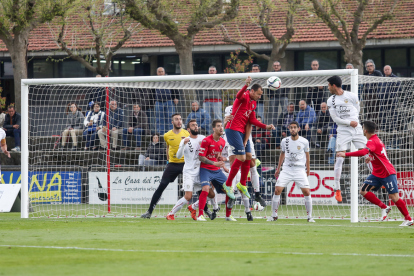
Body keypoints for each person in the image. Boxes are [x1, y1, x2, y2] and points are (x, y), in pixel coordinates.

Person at [337, 121, 413, 226]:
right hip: (377, 173)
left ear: (365, 130)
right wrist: (371, 157)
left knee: (394, 197)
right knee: (363, 190)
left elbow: (363, 152)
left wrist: (345, 154)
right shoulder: (376, 140)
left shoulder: (372, 141)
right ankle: (384, 207)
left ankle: (408, 219)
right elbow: (379, 153)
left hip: (387, 172)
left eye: (362, 128)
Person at [223, 77, 275, 202]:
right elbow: (238, 95)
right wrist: (246, 85)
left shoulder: (253, 103)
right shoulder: (245, 96)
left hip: (242, 132)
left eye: (261, 95)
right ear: (252, 91)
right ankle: (228, 184)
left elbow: (252, 120)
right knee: (240, 158)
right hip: (232, 129)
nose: (260, 97)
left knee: (248, 156)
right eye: (258, 94)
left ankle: (242, 184)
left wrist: (266, 126)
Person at [327, 75, 368, 202]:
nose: (328, 88)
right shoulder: (331, 100)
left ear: (334, 86)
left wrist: (353, 122)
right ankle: (337, 189)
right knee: (339, 156)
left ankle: (380, 178)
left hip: (357, 129)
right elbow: (335, 119)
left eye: (329, 85)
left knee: (368, 152)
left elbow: (357, 109)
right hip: (343, 130)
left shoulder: (352, 96)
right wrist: (348, 122)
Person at [141, 113, 190, 219]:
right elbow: (168, 148)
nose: (179, 121)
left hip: (185, 164)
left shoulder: (186, 133)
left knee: (197, 186)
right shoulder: (167, 135)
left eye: (180, 119)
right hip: (172, 164)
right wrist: (168, 160)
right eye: (176, 119)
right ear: (172, 122)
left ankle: (205, 210)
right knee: (162, 185)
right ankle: (149, 212)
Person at [167, 120, 217, 221]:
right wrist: (183, 145)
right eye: (193, 125)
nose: (196, 127)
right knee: (188, 196)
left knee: (211, 194)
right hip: (189, 173)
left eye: (196, 125)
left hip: (200, 172)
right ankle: (171, 214)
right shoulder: (185, 140)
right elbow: (178, 156)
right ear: (188, 129)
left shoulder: (203, 138)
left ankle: (193, 207)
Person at [224, 105, 266, 220]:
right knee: (235, 172)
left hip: (246, 139)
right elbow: (226, 124)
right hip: (232, 138)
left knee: (252, 165)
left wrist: (246, 141)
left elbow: (249, 124)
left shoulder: (247, 108)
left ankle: (256, 196)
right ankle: (231, 212)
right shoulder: (230, 108)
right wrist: (224, 123)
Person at [268, 121, 314, 222]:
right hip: (287, 169)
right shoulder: (285, 141)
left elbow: (307, 155)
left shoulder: (304, 141)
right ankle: (274, 215)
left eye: (294, 127)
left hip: (300, 169)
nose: (293, 129)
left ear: (298, 129)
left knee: (307, 192)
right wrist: (278, 168)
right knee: (277, 190)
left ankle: (309, 217)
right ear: (289, 129)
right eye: (291, 128)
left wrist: (308, 169)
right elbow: (282, 154)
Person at [197, 119, 229, 221]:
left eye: (222, 126)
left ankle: (228, 215)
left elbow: (217, 154)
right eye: (218, 126)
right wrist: (214, 163)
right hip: (205, 169)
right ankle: (200, 215)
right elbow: (201, 157)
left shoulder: (222, 142)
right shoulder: (206, 140)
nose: (221, 128)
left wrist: (222, 164)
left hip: (217, 170)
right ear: (213, 129)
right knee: (206, 189)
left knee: (229, 190)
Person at [155, 67, 179, 134]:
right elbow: (151, 91)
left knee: (170, 118)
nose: (160, 73)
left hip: (169, 101)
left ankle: (171, 133)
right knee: (159, 119)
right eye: (159, 72)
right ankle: (161, 134)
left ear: (164, 72)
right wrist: (153, 101)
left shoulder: (169, 79)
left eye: (162, 71)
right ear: (157, 73)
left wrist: (176, 97)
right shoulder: (154, 80)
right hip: (158, 102)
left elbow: (175, 88)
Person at [268, 61, 289, 126]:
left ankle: (284, 125)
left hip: (283, 96)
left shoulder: (284, 74)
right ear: (273, 67)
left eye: (277, 65)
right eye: (275, 65)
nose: (276, 67)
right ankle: (274, 127)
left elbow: (288, 84)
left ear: (280, 66)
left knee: (285, 111)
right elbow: (267, 85)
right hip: (274, 97)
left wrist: (285, 94)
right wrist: (270, 95)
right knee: (274, 113)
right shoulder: (270, 75)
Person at [363, 59, 383, 124]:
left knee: (376, 112)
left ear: (373, 66)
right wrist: (365, 94)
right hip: (367, 96)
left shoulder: (378, 73)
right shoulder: (365, 75)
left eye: (371, 65)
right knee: (368, 112)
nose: (369, 67)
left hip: (376, 96)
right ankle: (369, 126)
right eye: (368, 66)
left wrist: (377, 93)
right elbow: (364, 86)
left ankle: (376, 126)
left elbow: (381, 84)